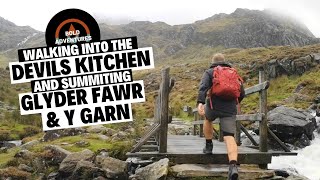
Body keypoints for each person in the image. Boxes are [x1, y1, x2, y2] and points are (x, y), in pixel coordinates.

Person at [197, 53, 245, 180]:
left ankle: (208, 146)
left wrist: (200, 103)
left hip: (213, 105)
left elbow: (203, 88)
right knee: (229, 136)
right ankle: (233, 166)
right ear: (225, 62)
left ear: (213, 62)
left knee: (208, 119)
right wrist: (235, 102)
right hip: (229, 108)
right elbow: (242, 93)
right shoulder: (233, 72)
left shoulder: (210, 72)